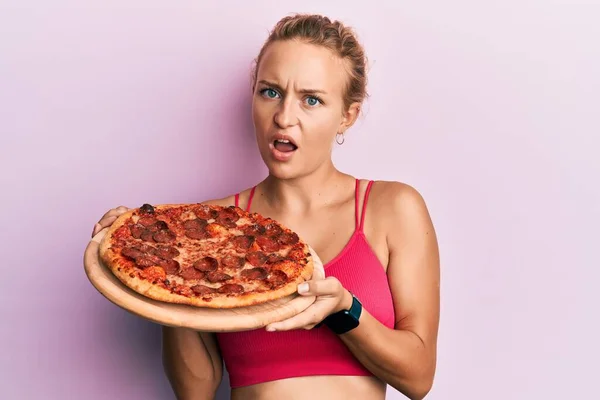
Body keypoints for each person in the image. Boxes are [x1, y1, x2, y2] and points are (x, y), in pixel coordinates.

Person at [91, 13, 440, 400]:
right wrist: (167, 276)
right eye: (270, 92)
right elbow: (196, 391)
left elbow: (418, 377)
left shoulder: (392, 208)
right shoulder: (210, 227)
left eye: (312, 100)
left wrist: (343, 310)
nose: (284, 117)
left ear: (347, 116)